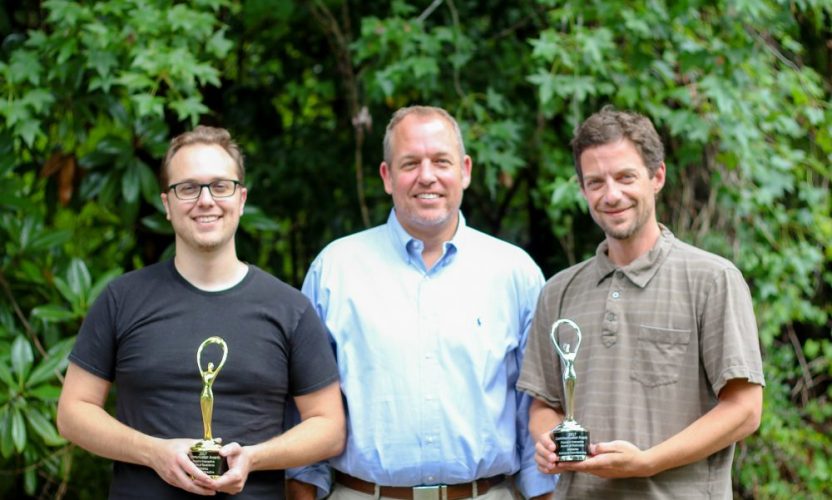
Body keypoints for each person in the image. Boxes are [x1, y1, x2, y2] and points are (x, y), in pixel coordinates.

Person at [57, 126, 345, 499]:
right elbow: (73, 413)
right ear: (167, 204)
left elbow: (329, 427)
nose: (206, 200)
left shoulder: (290, 309)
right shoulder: (121, 299)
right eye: (188, 188)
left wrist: (254, 458)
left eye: (220, 186)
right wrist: (152, 452)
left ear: (241, 198)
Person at [287, 106, 556, 500]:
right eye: (410, 163)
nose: (427, 176)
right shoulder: (334, 271)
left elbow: (533, 409)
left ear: (465, 170)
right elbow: (306, 409)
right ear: (386, 176)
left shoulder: (516, 273)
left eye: (441, 162)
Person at [518, 107, 765, 498]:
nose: (611, 194)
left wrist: (648, 461)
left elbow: (745, 410)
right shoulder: (559, 290)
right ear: (582, 190)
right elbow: (543, 404)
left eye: (625, 177)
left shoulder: (713, 280)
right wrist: (548, 440)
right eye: (595, 182)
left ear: (657, 177)